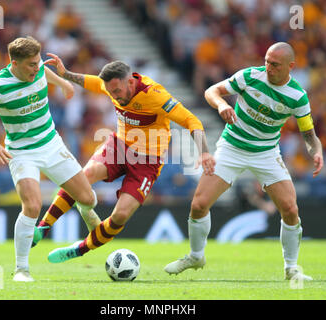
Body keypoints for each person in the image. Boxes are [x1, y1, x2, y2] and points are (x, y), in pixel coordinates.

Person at [33, 53, 215, 263]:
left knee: (120, 216)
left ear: (130, 82)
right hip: (119, 146)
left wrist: (203, 151)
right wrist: (66, 74)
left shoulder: (154, 95)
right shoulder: (113, 86)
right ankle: (43, 228)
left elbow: (191, 120)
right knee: (85, 175)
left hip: (147, 161)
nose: (115, 96)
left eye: (117, 91)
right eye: (111, 92)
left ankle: (80, 249)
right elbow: (95, 84)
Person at [164, 42, 324, 281]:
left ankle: (291, 268)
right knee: (198, 204)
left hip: (266, 153)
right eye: (267, 61)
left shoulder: (297, 96)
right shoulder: (250, 75)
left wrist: (317, 152)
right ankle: (196, 256)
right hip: (232, 147)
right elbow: (211, 91)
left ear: (290, 66)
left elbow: (309, 136)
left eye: (275, 64)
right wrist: (222, 104)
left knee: (290, 209)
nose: (268, 67)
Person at [0, 36, 99, 282]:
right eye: (31, 64)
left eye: (39, 62)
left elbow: (44, 73)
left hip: (51, 143)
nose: (37, 68)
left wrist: (62, 82)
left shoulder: (37, 69)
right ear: (14, 63)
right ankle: (21, 269)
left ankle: (85, 209)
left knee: (89, 198)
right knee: (32, 206)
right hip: (21, 152)